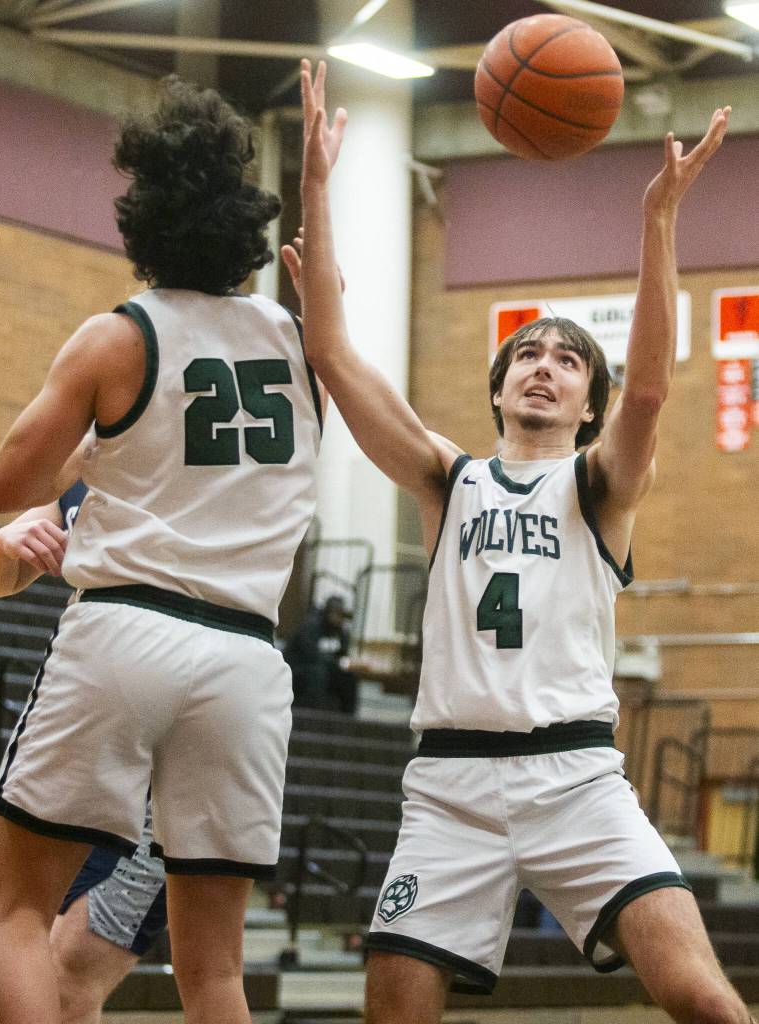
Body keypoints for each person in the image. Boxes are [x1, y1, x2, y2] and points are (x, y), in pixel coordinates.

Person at [295, 60, 753, 1024]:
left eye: (568, 360)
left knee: (701, 999)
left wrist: (658, 219)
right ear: (499, 387)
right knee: (391, 1011)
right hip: (450, 785)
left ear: (587, 404)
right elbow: (331, 354)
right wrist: (316, 187)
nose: (545, 367)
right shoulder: (445, 477)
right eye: (528, 355)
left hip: (575, 777)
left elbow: (651, 391)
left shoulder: (597, 485)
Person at [0, 73, 343, 1024]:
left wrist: (99, 448)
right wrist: (319, 187)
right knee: (213, 972)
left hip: (127, 631)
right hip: (247, 662)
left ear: (140, 218)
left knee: (18, 911)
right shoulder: (308, 346)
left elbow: (8, 489)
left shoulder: (117, 337)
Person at [0, 483, 168, 1024]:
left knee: (68, 974)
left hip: (171, 745)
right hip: (93, 703)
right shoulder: (84, 462)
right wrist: (2, 541)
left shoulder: (199, 464)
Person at [284, 594, 358, 713]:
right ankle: (315, 716)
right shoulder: (311, 626)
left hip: (326, 667)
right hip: (300, 667)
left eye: (341, 614)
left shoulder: (341, 632)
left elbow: (342, 655)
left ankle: (348, 718)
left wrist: (344, 664)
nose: (338, 618)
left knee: (348, 676)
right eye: (335, 613)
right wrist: (337, 663)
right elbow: (310, 655)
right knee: (318, 673)